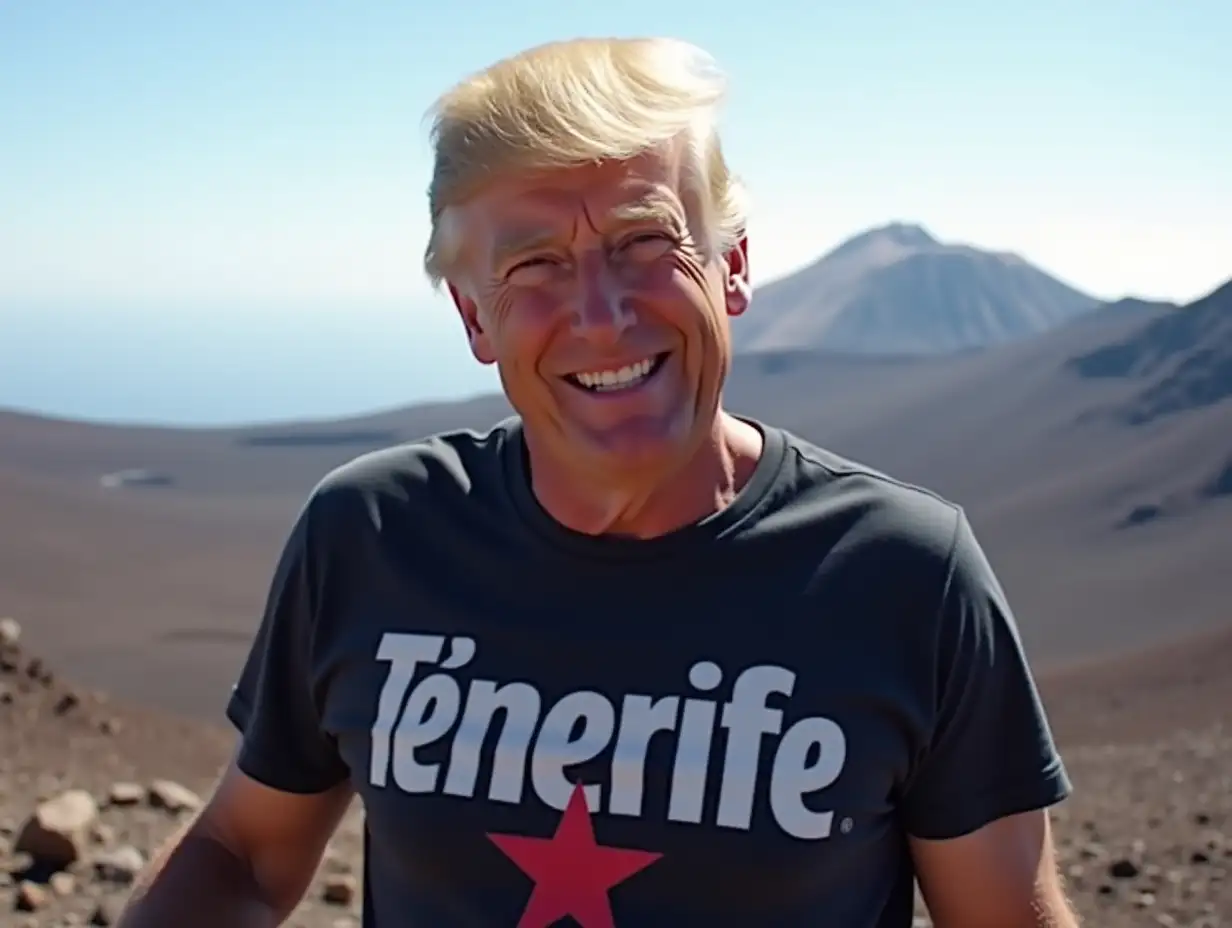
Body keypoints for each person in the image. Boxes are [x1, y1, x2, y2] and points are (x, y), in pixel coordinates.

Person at [117, 36, 1079, 928]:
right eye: (535, 265)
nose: (602, 313)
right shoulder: (371, 534)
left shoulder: (904, 574)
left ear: (731, 266)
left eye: (644, 243)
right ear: (475, 319)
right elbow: (244, 850)